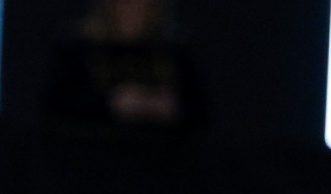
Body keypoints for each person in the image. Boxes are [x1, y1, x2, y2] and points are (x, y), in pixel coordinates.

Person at [42, 0, 208, 129]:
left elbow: (202, 112)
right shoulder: (77, 49)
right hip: (92, 157)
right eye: (126, 2)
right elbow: (54, 107)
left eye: (142, 3)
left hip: (162, 160)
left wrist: (169, 107)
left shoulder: (173, 51)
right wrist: (112, 103)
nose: (134, 10)